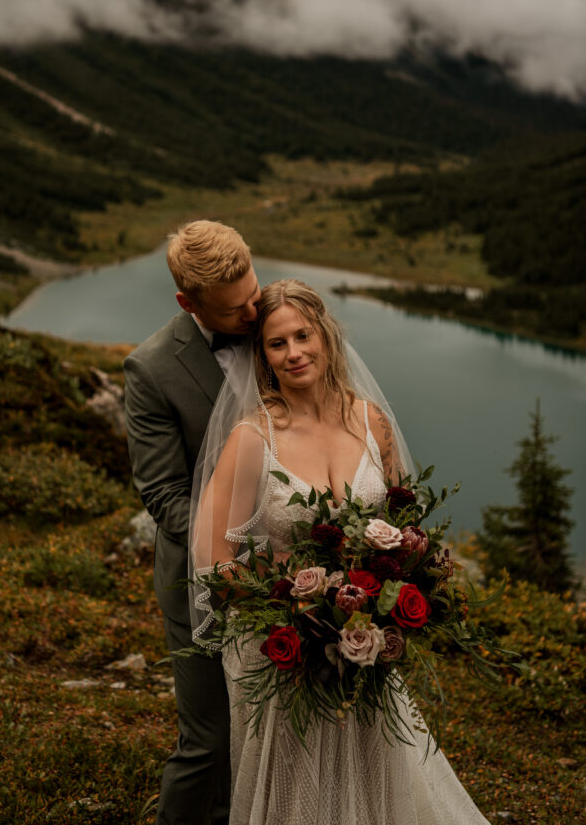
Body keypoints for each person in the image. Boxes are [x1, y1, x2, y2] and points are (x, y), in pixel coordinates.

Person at [190, 279, 492, 825]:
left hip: (365, 642)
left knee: (375, 768)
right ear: (263, 357)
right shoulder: (254, 437)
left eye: (302, 335)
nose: (294, 352)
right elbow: (212, 558)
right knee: (299, 784)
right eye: (277, 344)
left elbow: (404, 524)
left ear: (326, 337)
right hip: (284, 652)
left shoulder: (370, 421)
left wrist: (395, 588)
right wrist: (290, 601)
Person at [124, 220, 261, 825]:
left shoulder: (273, 323)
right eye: (236, 310)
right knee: (207, 739)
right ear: (188, 303)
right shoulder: (152, 369)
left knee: (258, 731)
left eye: (254, 293)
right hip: (201, 581)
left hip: (290, 576)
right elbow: (165, 496)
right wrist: (243, 552)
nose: (254, 313)